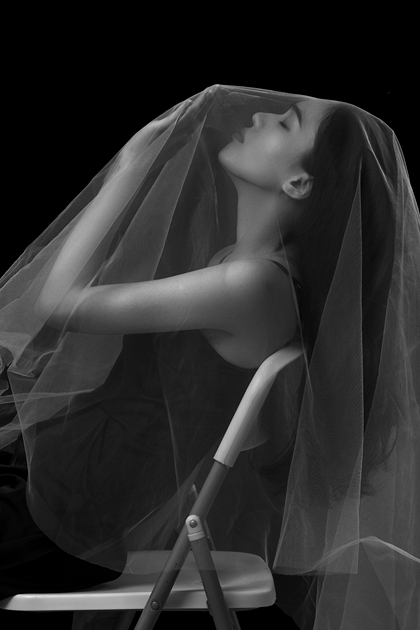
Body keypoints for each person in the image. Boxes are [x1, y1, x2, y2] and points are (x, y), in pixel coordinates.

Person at [0, 85, 418, 630]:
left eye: (285, 123)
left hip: (65, 513)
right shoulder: (246, 269)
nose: (260, 115)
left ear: (299, 182)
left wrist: (129, 166)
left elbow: (58, 305)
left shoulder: (251, 286)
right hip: (66, 476)